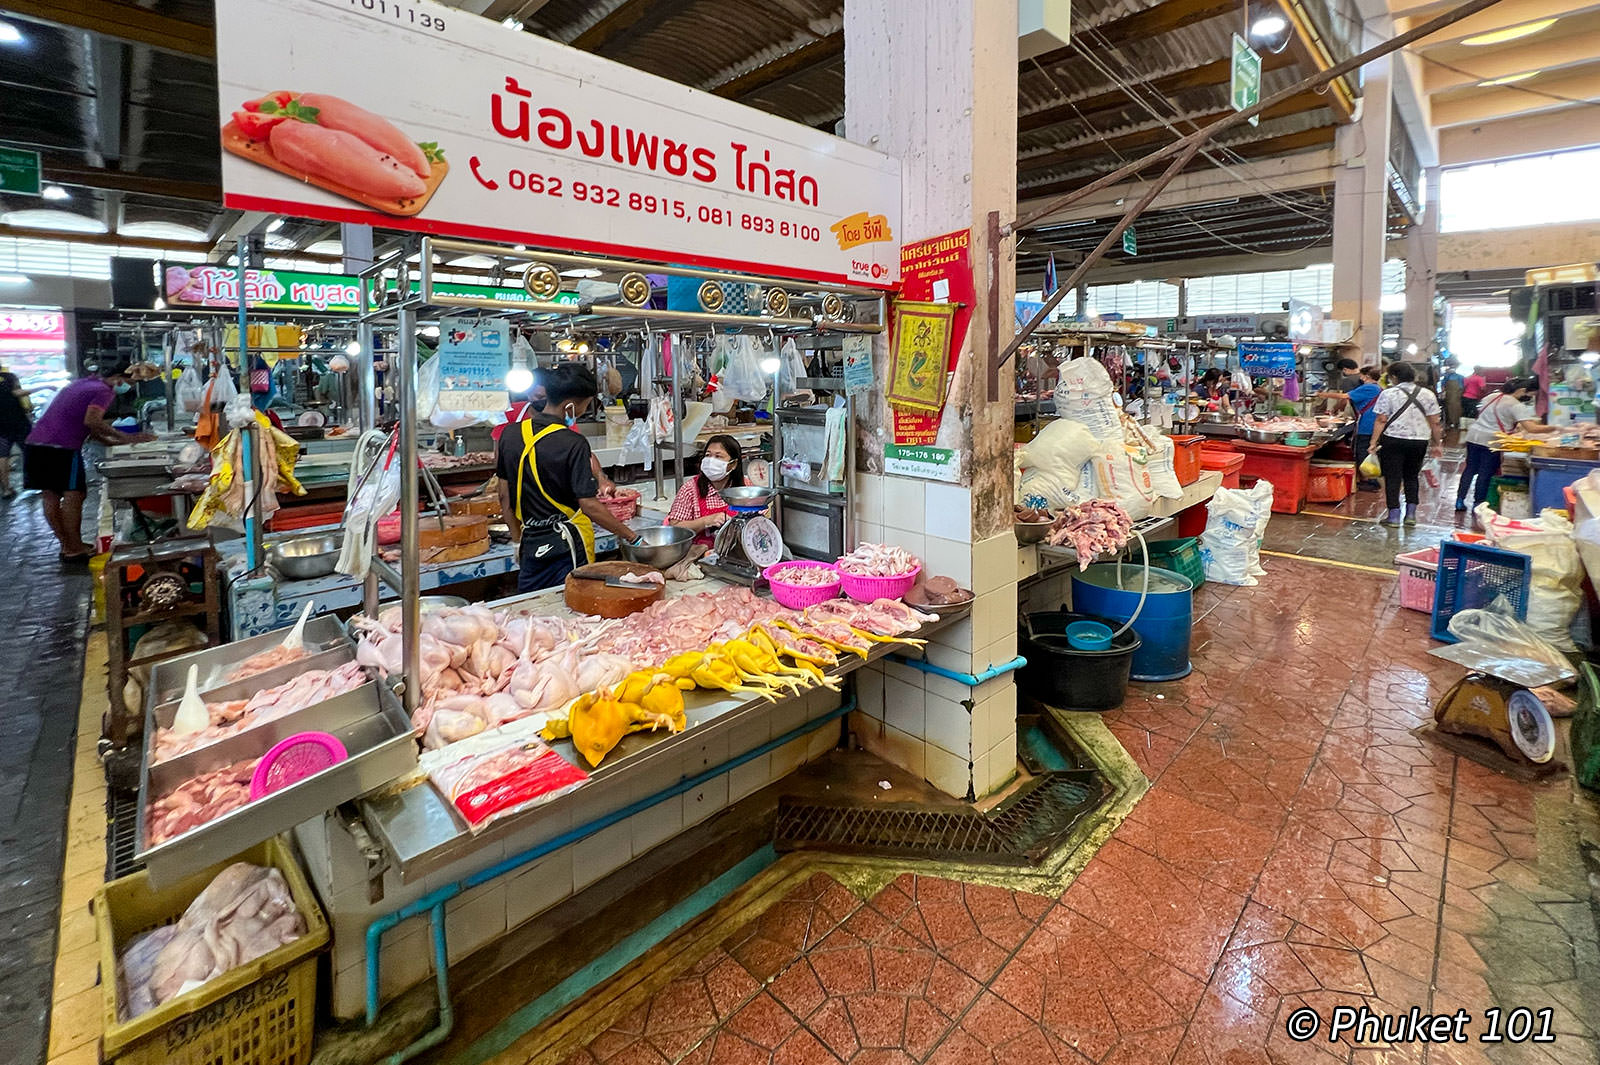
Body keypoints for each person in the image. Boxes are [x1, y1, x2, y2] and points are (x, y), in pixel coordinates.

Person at [495, 363, 639, 593]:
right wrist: (632, 537)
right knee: (571, 606)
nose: (584, 410)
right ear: (570, 405)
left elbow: (504, 495)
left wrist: (516, 540)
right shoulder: (572, 443)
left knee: (532, 604)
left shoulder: (510, 434)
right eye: (586, 404)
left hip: (530, 539)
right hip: (567, 544)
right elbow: (589, 506)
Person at [24, 363, 151, 561]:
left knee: (50, 496)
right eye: (130, 382)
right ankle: (75, 549)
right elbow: (92, 421)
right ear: (119, 377)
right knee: (74, 495)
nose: (129, 387)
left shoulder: (84, 383)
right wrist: (124, 438)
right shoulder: (103, 391)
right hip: (63, 447)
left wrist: (114, 441)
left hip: (36, 443)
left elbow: (86, 427)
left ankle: (68, 546)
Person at [1456, 377, 1555, 512]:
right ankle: (1478, 504)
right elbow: (1532, 428)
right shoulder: (1516, 405)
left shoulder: (1492, 396)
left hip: (1474, 436)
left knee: (1470, 469)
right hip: (1492, 440)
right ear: (1522, 391)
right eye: (1531, 394)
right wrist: (1556, 428)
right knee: (1485, 473)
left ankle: (1459, 500)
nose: (1531, 398)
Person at [1368, 362, 1443, 528]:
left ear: (1394, 377)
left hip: (1393, 439)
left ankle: (1393, 516)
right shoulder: (1428, 394)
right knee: (1412, 476)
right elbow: (1435, 422)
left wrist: (1373, 442)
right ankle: (1410, 515)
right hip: (1419, 441)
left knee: (1393, 477)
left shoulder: (1388, 394)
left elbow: (1381, 420)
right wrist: (1437, 443)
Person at [667, 435, 747, 544]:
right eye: (708, 455)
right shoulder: (689, 489)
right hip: (700, 554)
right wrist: (706, 521)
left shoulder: (746, 487)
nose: (711, 461)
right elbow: (674, 528)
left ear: (733, 464)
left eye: (718, 456)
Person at [1341, 366, 1382, 491]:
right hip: (1372, 425)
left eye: (1362, 376)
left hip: (1367, 426)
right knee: (1368, 451)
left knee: (1363, 452)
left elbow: (1344, 397)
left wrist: (1321, 394)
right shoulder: (1378, 388)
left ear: (1366, 376)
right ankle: (1370, 479)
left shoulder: (1368, 387)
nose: (1360, 378)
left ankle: (1371, 481)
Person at [0, 370, 34, 499]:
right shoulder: (9, 376)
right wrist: (43, 387)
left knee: (2, 456)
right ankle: (31, 482)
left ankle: (6, 489)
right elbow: (19, 393)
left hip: (1, 426)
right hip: (19, 422)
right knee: (29, 451)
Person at [1438, 362, 1465, 430]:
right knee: (1450, 408)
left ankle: (1455, 423)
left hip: (1456, 396)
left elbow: (1463, 387)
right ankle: (1452, 422)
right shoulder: (1447, 377)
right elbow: (1443, 387)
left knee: (1456, 409)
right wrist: (1443, 393)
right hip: (1450, 396)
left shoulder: (1460, 377)